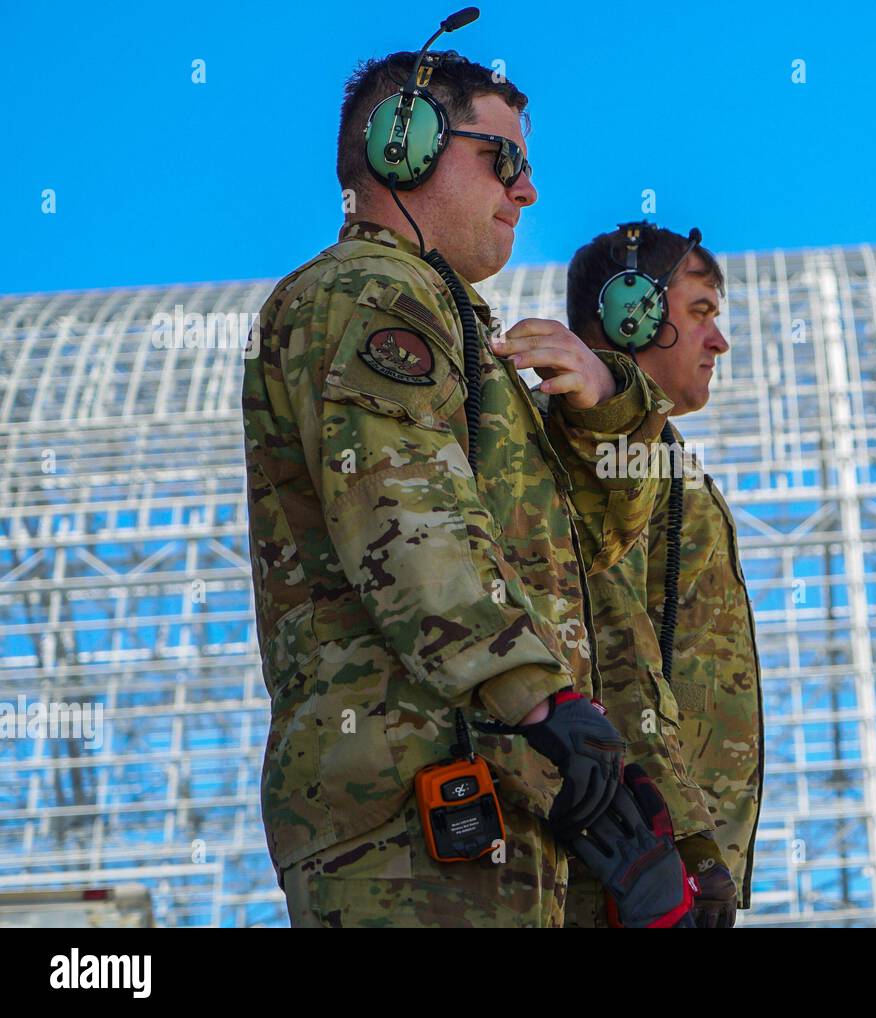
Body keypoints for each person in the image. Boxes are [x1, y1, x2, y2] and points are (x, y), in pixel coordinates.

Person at [242, 41, 675, 927]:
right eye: (505, 159)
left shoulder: (469, 338)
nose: (527, 190)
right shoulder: (367, 291)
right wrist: (545, 701)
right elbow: (406, 516)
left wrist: (605, 411)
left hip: (489, 807)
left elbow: (598, 561)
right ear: (404, 146)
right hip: (413, 823)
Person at [559, 222, 764, 927]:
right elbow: (614, 647)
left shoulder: (655, 457)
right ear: (632, 312)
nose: (719, 340)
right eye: (701, 311)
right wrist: (686, 846)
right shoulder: (608, 456)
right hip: (638, 867)